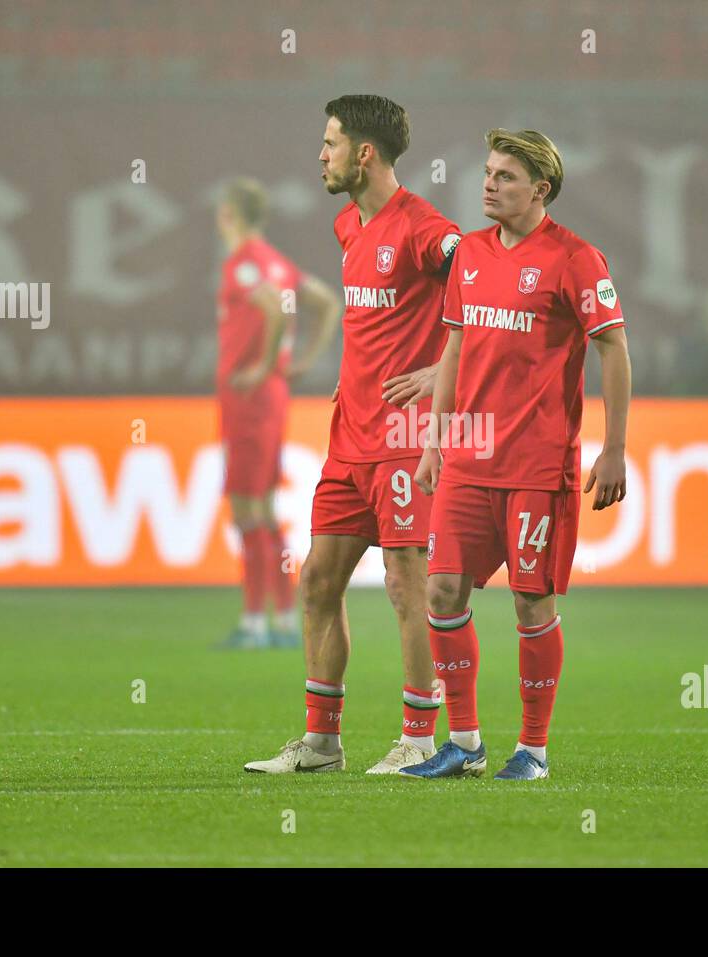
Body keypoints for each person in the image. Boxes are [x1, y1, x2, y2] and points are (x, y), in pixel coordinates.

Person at [401, 129, 632, 780]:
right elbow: (453, 349)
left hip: (538, 463)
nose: (488, 184)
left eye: (505, 175)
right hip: (470, 457)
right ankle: (466, 741)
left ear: (542, 189)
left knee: (532, 602)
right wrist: (434, 441)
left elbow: (613, 349)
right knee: (442, 590)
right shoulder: (469, 255)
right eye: (488, 172)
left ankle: (532, 749)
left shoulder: (577, 259)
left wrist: (614, 449)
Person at [244, 95, 462, 773]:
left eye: (331, 142)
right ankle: (321, 742)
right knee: (316, 579)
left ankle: (420, 738)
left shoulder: (426, 229)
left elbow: (486, 283)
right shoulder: (349, 227)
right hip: (349, 439)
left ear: (364, 153)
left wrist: (438, 373)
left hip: (404, 438)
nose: (321, 154)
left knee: (406, 583)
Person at [215, 178, 339, 650]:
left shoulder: (246, 264)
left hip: (249, 399)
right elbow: (327, 302)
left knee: (248, 509)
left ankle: (254, 622)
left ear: (228, 213)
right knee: (261, 507)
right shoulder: (278, 262)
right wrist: (300, 361)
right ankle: (284, 617)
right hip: (268, 396)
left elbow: (271, 308)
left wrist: (264, 365)